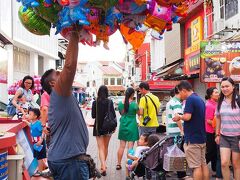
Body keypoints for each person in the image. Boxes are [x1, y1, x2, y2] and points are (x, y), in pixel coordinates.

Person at [41, 29, 89, 180]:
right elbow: (69, 67)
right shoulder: (59, 92)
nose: (62, 73)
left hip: (66, 160)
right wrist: (74, 34)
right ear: (53, 83)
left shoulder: (61, 97)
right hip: (70, 162)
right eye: (57, 73)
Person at [173, 80, 209, 180]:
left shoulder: (190, 100)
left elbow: (187, 117)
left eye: (180, 93)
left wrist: (179, 117)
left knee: (196, 166)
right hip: (201, 137)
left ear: (184, 90)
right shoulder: (199, 99)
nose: (180, 95)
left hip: (193, 138)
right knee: (203, 164)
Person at [215, 77, 240, 180]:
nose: (225, 89)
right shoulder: (220, 102)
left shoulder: (239, 101)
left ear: (233, 87)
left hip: (237, 137)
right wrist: (217, 134)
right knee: (224, 163)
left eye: (227, 86)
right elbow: (218, 118)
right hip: (224, 136)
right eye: (222, 87)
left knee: (236, 165)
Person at [91, 85, 116, 176]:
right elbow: (113, 115)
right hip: (108, 127)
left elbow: (93, 116)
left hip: (98, 127)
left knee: (100, 148)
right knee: (106, 147)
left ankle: (103, 166)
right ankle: (103, 165)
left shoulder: (95, 102)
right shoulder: (110, 102)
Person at [166, 87, 188, 179]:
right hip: (176, 132)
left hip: (171, 131)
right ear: (180, 91)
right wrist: (182, 130)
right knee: (179, 153)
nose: (186, 94)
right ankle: (181, 175)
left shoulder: (171, 102)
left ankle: (169, 170)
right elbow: (177, 117)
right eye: (185, 92)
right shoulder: (176, 103)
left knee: (173, 152)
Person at [116, 87, 139, 171]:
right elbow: (139, 113)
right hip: (132, 126)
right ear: (132, 94)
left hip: (123, 125)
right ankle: (128, 164)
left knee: (121, 146)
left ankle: (118, 164)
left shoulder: (120, 104)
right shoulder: (134, 104)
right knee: (130, 147)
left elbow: (121, 113)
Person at [23, 108, 47, 176]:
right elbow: (31, 126)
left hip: (39, 142)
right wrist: (25, 122)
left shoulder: (38, 123)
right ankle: (43, 166)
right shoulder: (33, 123)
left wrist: (41, 140)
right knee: (38, 156)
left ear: (35, 116)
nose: (28, 115)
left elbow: (43, 131)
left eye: (30, 114)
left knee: (39, 157)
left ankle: (40, 171)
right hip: (35, 143)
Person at [205, 87, 219, 177]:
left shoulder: (215, 103)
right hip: (210, 132)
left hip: (214, 131)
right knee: (211, 152)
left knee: (215, 152)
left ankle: (215, 170)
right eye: (216, 92)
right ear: (211, 95)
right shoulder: (209, 105)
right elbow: (208, 120)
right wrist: (218, 125)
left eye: (218, 92)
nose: (218, 94)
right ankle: (201, 166)